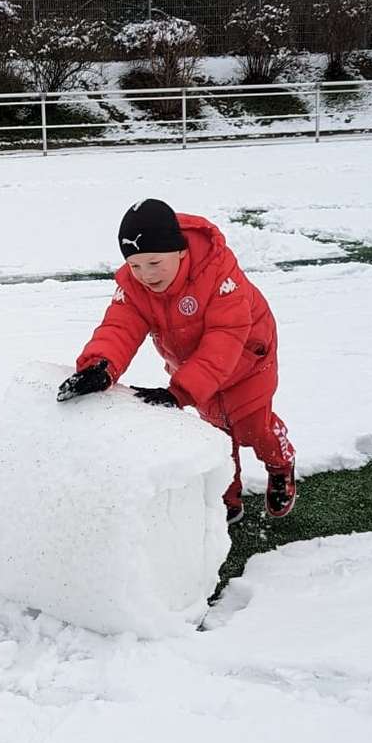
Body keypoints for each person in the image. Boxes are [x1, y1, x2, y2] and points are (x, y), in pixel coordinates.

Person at [57, 198, 297, 526]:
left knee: (254, 428)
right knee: (215, 434)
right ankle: (226, 495)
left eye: (154, 263)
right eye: (136, 265)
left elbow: (225, 337)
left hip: (247, 362)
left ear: (181, 251)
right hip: (197, 371)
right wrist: (100, 366)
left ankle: (281, 464)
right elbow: (119, 326)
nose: (145, 275)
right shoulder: (135, 286)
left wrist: (181, 391)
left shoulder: (219, 273)